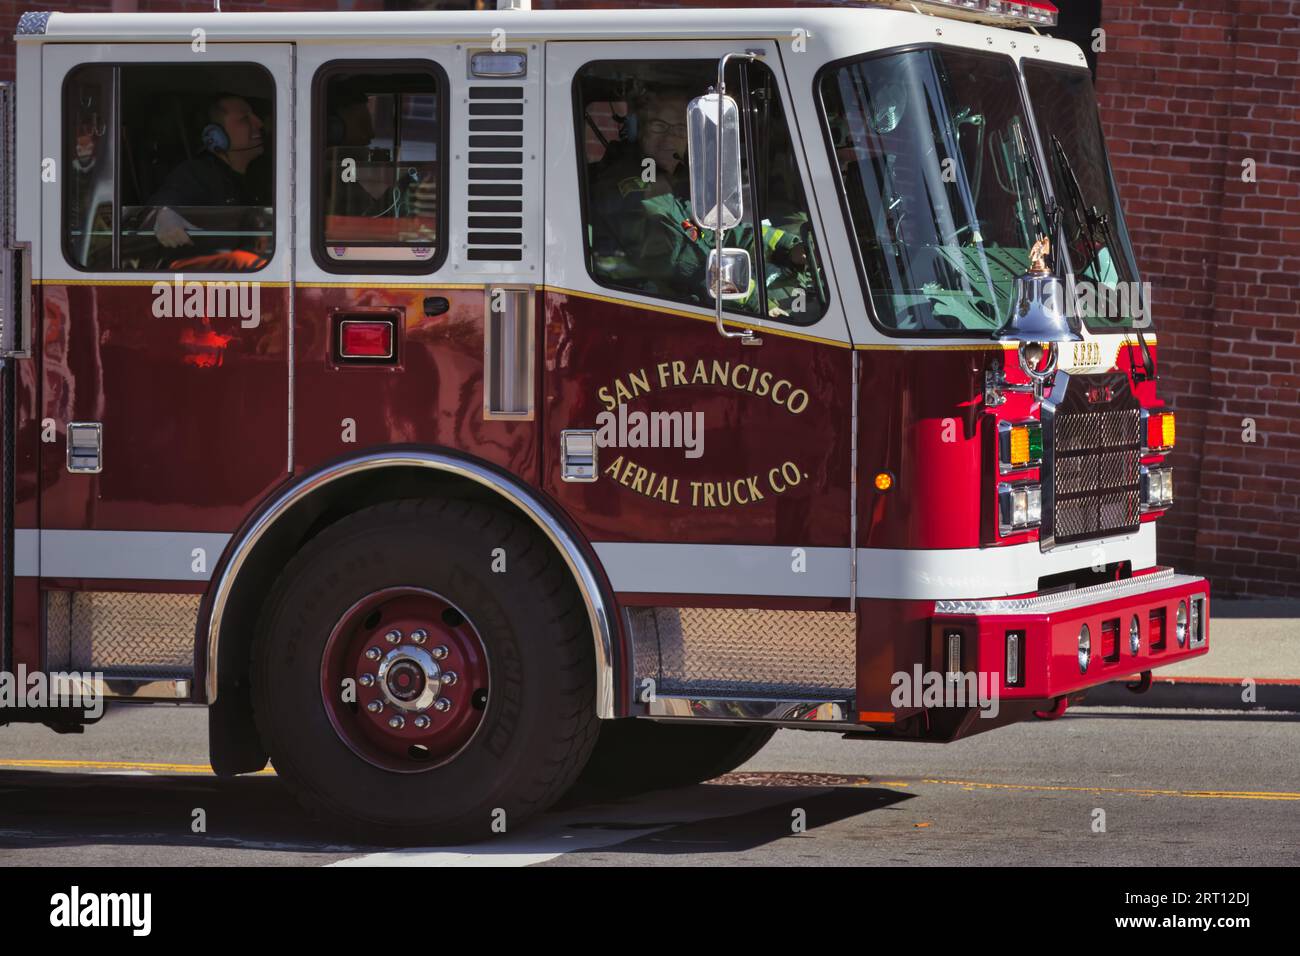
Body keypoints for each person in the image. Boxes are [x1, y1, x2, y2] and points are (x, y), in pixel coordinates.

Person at [588, 87, 810, 316]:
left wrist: (789, 246)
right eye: (658, 126)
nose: (670, 137)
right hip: (646, 314)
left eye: (680, 128)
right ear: (637, 130)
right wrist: (755, 301)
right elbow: (677, 256)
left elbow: (713, 230)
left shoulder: (669, 182)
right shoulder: (628, 188)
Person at [146, 93, 269, 267]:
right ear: (216, 135)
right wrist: (165, 215)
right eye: (245, 119)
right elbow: (165, 201)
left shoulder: (260, 176)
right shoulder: (197, 173)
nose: (259, 123)